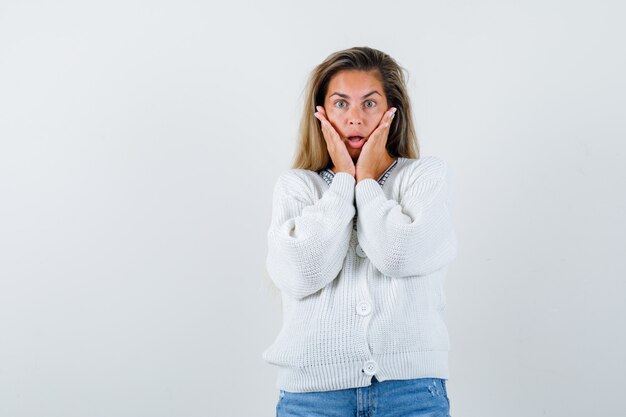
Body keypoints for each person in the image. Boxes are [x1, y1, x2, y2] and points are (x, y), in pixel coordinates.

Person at [262, 46, 458, 417]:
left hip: (411, 394)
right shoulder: (297, 188)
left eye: (369, 104)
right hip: (313, 398)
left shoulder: (425, 178)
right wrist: (341, 185)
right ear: (320, 113)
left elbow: (398, 255)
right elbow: (304, 273)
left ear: (391, 112)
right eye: (340, 104)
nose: (355, 119)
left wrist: (366, 180)